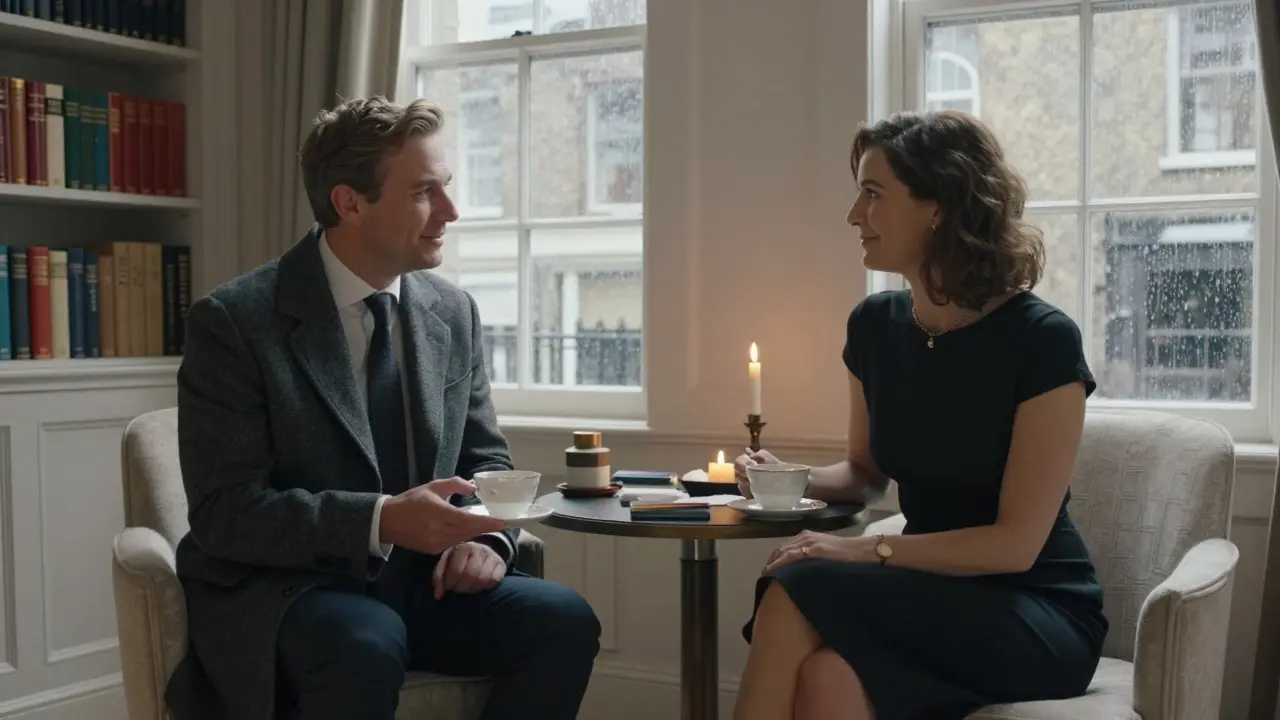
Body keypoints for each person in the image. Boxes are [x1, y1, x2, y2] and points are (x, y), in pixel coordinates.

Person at [165, 96, 601, 720]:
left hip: (429, 584)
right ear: (349, 202)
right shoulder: (235, 322)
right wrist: (381, 521)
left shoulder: (453, 311)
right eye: (425, 192)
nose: (450, 211)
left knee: (563, 619)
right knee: (366, 642)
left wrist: (490, 540)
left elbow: (485, 460)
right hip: (294, 591)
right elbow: (224, 512)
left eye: (444, 187)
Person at [730, 110, 1108, 720]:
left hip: (1035, 608)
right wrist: (784, 476)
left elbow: (1014, 546)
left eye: (873, 194)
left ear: (938, 207)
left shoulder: (1043, 341)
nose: (855, 215)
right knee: (828, 680)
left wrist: (860, 552)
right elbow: (864, 474)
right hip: (931, 591)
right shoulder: (874, 327)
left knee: (800, 582)